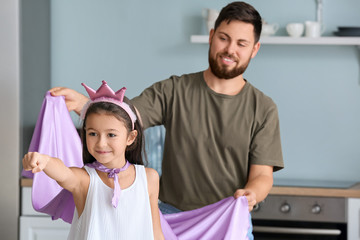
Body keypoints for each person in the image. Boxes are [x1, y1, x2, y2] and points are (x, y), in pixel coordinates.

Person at [50, 1, 284, 215]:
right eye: (224, 38)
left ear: (254, 49)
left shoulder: (263, 108)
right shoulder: (174, 90)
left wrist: (252, 193)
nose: (230, 49)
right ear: (211, 36)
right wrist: (86, 105)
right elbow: (125, 116)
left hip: (229, 215)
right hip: (173, 215)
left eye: (241, 43)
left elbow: (262, 175)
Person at [23, 81, 164, 240]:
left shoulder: (149, 178)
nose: (101, 143)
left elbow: (156, 233)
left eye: (111, 135)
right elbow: (63, 172)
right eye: (92, 134)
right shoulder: (84, 179)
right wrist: (44, 160)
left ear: (130, 137)